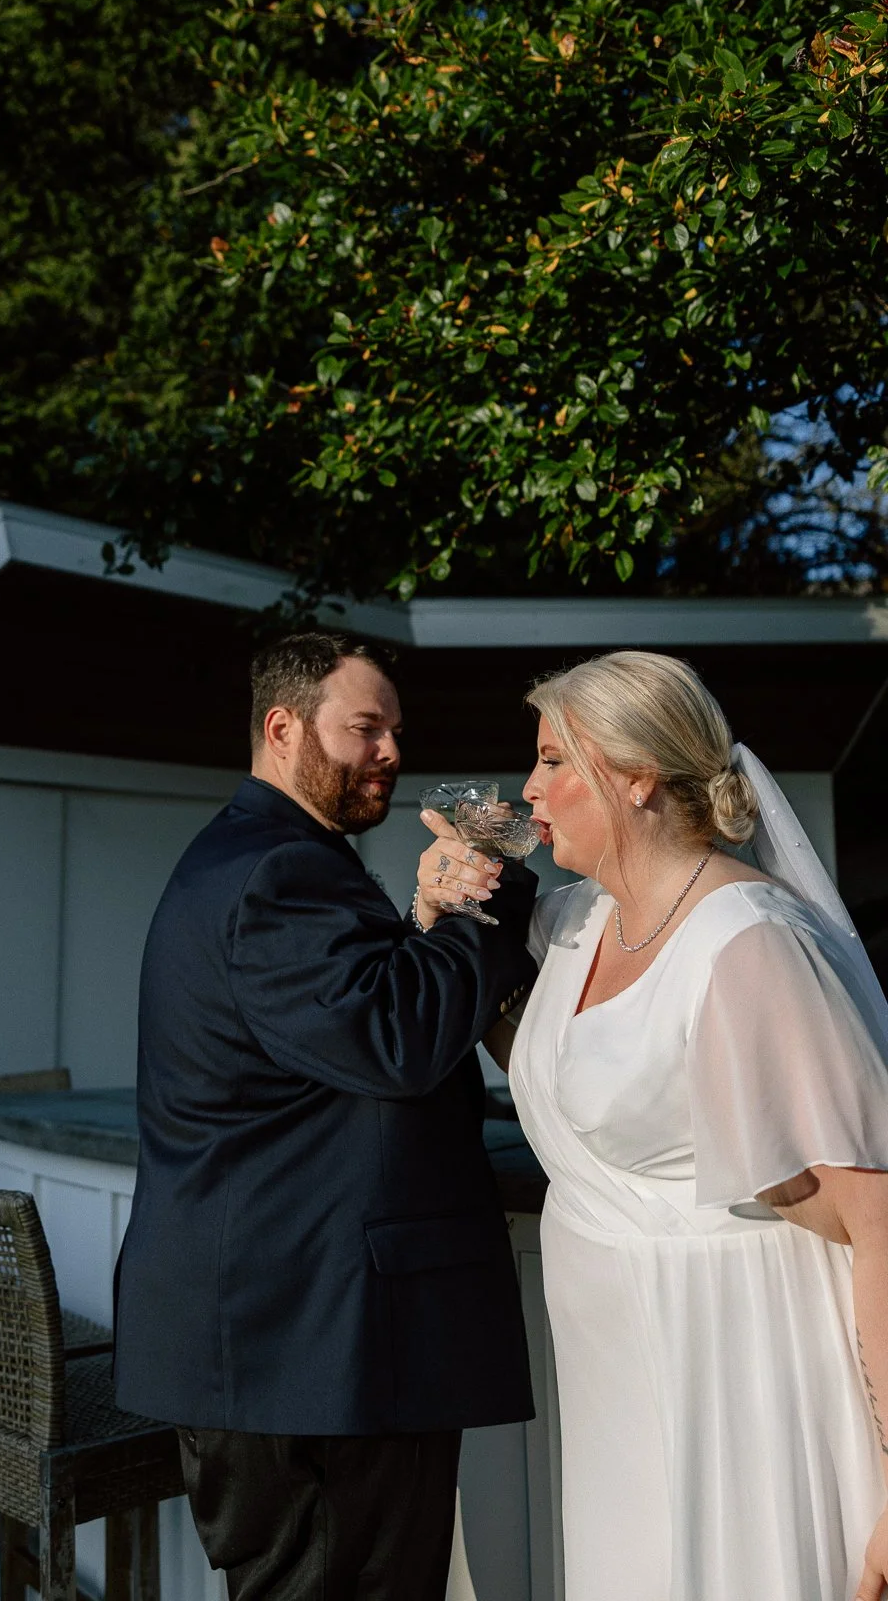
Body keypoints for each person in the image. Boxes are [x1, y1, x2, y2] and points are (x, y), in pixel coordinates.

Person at [429, 648, 888, 1601]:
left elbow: (877, 1219)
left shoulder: (748, 942)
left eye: (554, 760)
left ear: (638, 776)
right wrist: (446, 914)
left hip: (738, 1374)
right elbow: (561, 1074)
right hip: (613, 1388)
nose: (528, 788)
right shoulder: (574, 921)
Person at [113, 630, 538, 1601]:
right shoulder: (278, 872)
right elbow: (395, 1039)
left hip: (289, 1341)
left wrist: (425, 922)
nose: (390, 751)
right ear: (283, 728)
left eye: (396, 730)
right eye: (365, 728)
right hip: (311, 1347)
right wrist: (484, 888)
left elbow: (350, 1022)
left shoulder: (265, 857)